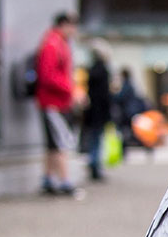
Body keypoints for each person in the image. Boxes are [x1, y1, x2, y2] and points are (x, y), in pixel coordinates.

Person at [36, 12, 83, 195]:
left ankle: (48, 179)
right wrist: (70, 89)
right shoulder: (53, 44)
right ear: (64, 25)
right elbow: (48, 76)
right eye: (72, 26)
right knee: (60, 142)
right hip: (53, 103)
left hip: (53, 102)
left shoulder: (56, 43)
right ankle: (64, 181)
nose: (74, 30)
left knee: (52, 144)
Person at [81, 39, 113, 181]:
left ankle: (93, 163)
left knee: (93, 138)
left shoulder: (91, 70)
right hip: (100, 112)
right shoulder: (104, 71)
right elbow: (105, 96)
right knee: (97, 139)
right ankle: (95, 165)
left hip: (92, 111)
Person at [114, 68, 146, 155]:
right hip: (130, 111)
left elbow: (120, 98)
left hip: (127, 112)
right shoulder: (132, 85)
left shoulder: (126, 85)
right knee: (130, 131)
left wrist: (113, 95)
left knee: (126, 131)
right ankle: (145, 146)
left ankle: (124, 150)